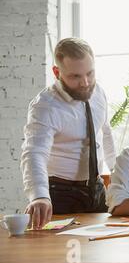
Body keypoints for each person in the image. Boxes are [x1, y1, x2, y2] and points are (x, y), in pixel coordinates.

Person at [21, 38, 116, 229]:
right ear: (57, 72)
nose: (85, 83)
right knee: (60, 253)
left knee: (99, 250)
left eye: (90, 73)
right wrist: (39, 196)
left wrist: (117, 174)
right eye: (75, 76)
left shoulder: (98, 93)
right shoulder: (45, 106)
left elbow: (105, 132)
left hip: (96, 190)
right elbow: (34, 153)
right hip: (61, 194)